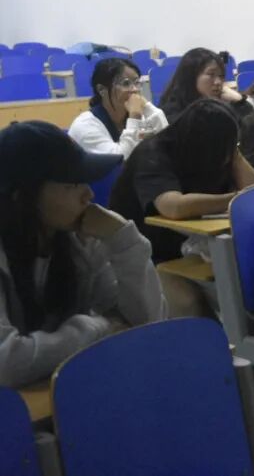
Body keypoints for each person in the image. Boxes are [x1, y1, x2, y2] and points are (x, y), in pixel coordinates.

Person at [0, 121, 166, 388]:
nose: (88, 194)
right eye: (72, 184)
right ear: (22, 196)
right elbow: (6, 363)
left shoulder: (81, 241)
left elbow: (145, 325)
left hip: (65, 391)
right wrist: (96, 329)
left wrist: (124, 240)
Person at [109, 99, 254, 267]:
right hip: (147, 256)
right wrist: (235, 199)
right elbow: (173, 207)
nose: (227, 157)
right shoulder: (152, 154)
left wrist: (233, 152)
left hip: (190, 244)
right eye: (225, 146)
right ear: (202, 142)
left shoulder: (217, 152)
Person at [69, 58, 168, 158]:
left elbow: (168, 146)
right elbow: (120, 161)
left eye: (137, 82)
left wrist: (148, 108)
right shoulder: (85, 126)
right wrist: (134, 117)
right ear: (101, 89)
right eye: (126, 83)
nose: (135, 89)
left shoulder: (137, 116)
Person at [158, 48, 252, 122]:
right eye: (211, 74)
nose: (218, 82)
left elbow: (250, 127)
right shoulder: (171, 110)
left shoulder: (220, 104)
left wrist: (239, 101)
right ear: (191, 76)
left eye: (221, 76)